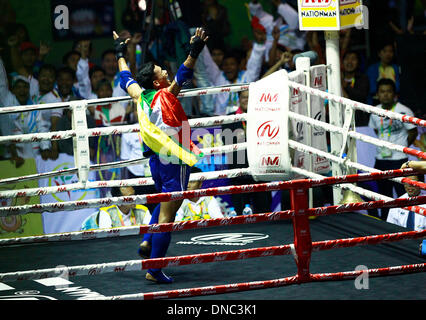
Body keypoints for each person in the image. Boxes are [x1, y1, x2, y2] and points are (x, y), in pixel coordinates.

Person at [113, 27, 208, 283]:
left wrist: (120, 52)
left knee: (164, 202)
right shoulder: (165, 96)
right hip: (172, 158)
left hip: (156, 159)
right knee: (169, 214)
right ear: (157, 82)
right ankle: (154, 269)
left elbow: (125, 77)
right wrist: (194, 51)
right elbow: (184, 73)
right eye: (161, 71)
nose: (166, 71)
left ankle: (146, 239)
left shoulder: (139, 95)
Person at [368, 79, 418, 221]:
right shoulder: (374, 111)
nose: (385, 95)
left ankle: (407, 225)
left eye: (388, 91)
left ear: (394, 94)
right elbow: (377, 130)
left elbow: (413, 131)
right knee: (384, 197)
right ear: (377, 94)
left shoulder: (404, 110)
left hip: (399, 160)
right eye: (382, 92)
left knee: (404, 195)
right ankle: (386, 227)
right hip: (381, 160)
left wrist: (401, 147)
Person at [80, 186, 151, 230]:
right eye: (131, 196)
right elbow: (105, 238)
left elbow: (149, 233)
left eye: (134, 195)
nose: (135, 198)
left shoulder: (143, 210)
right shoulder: (106, 212)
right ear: (118, 200)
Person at [341, 50, 370, 126]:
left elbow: (361, 96)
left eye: (353, 59)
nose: (349, 62)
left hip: (358, 119)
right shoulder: (337, 78)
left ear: (358, 63)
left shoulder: (363, 78)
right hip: (340, 117)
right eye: (347, 59)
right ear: (342, 62)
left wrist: (346, 86)